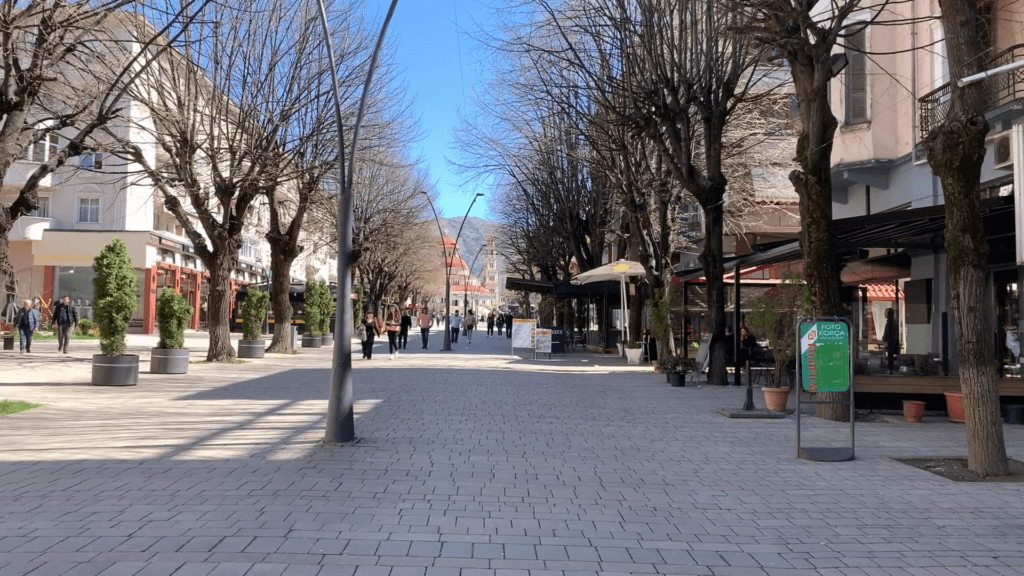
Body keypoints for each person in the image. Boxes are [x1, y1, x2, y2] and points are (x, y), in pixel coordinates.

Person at [883, 307, 900, 374]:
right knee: (891, 356)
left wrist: (885, 339)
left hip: (891, 342)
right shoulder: (893, 321)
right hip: (893, 341)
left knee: (891, 356)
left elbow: (889, 332)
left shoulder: (891, 322)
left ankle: (891, 369)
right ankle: (892, 368)